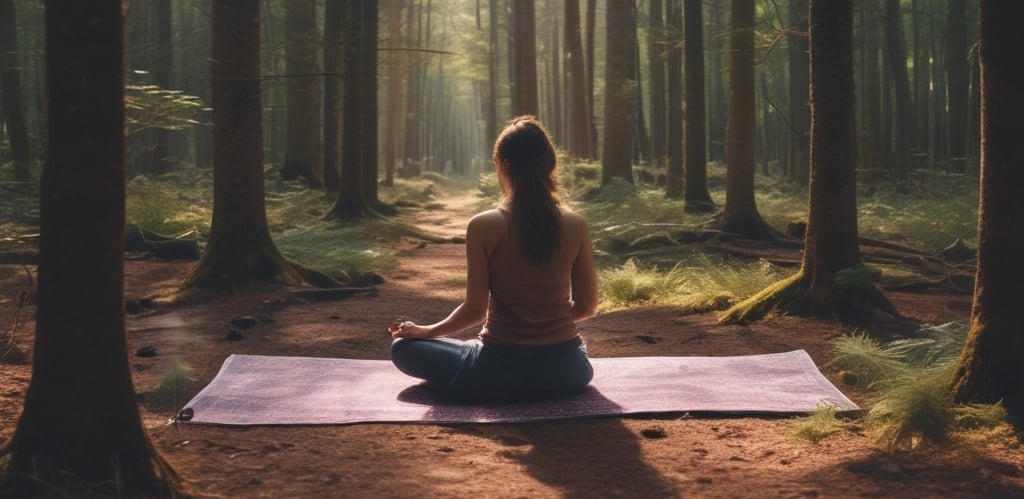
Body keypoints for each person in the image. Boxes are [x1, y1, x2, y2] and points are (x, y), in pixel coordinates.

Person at [389, 116, 599, 403]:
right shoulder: (576, 223)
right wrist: (545, 321)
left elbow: (476, 309)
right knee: (569, 351)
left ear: (503, 163)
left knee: (402, 348)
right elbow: (588, 306)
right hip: (569, 371)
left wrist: (425, 331)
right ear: (550, 164)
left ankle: (477, 382)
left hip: (498, 369)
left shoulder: (484, 225)